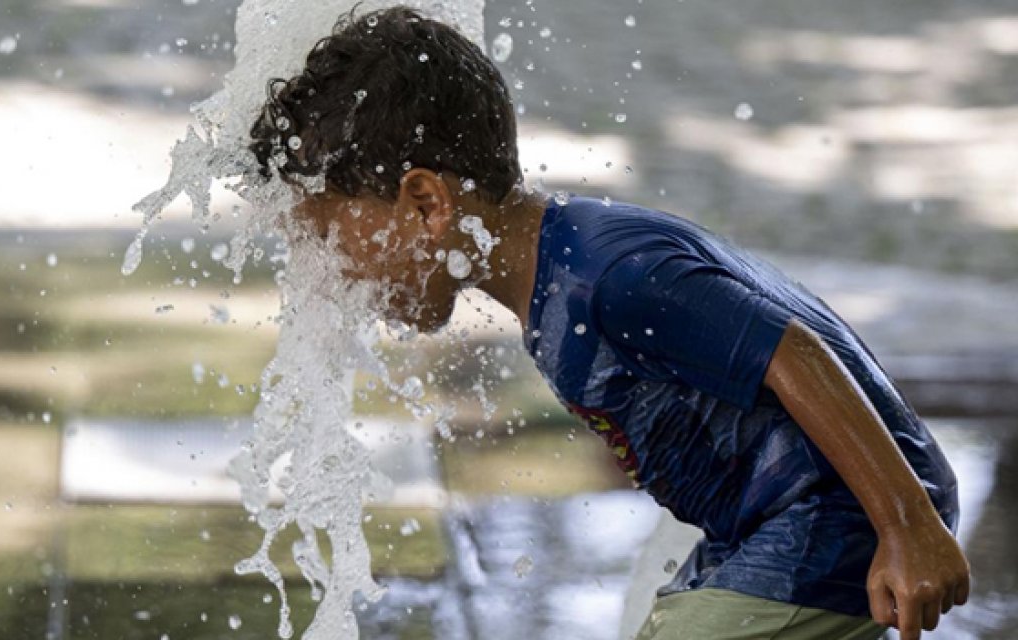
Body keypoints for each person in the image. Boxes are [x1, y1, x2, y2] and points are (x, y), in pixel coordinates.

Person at [248, 6, 970, 639]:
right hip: (775, 523)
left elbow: (797, 353)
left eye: (334, 241)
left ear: (427, 205)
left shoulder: (609, 276)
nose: (331, 273)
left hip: (839, 520)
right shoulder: (558, 274)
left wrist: (907, 527)